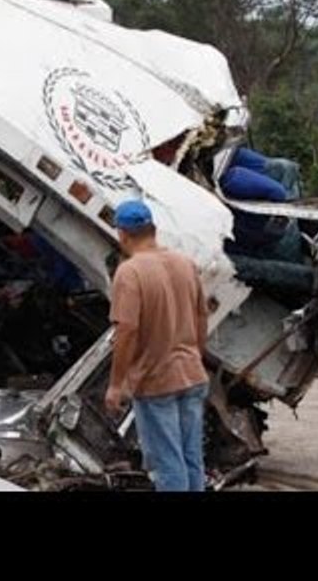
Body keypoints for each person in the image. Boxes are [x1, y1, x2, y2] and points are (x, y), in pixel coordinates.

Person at [104, 199, 210, 492]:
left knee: (167, 464)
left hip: (155, 382)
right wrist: (194, 356)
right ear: (153, 229)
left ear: (122, 234)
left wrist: (116, 384)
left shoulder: (130, 272)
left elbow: (126, 331)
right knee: (191, 460)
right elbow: (202, 316)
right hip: (191, 375)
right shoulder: (185, 264)